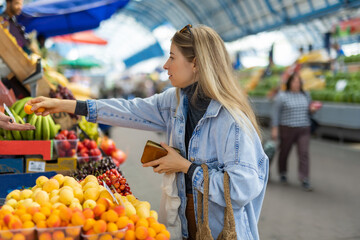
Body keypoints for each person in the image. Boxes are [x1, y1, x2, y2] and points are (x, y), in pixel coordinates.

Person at [27, 25, 269, 240]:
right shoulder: (176, 101)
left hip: (221, 231)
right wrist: (66, 105)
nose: (166, 65)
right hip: (186, 222)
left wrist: (185, 167)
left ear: (195, 63)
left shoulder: (232, 122)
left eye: (172, 57)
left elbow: (241, 189)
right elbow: (129, 110)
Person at [271, 72, 318, 191]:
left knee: (304, 153)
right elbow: (276, 114)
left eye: (298, 82)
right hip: (287, 128)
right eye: (294, 82)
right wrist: (275, 129)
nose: (297, 84)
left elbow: (309, 111)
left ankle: (304, 178)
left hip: (304, 128)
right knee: (284, 151)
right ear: (289, 83)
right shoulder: (282, 96)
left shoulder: (306, 95)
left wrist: (312, 109)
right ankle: (283, 172)